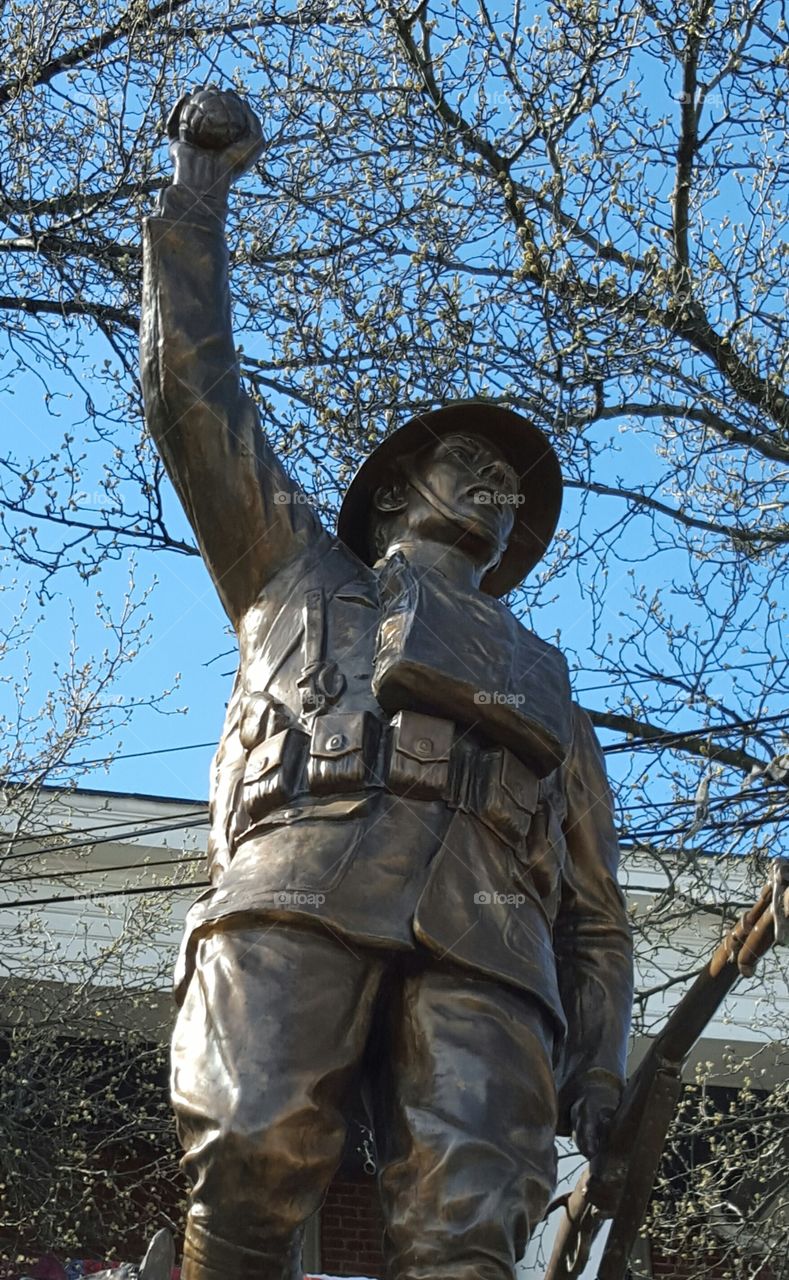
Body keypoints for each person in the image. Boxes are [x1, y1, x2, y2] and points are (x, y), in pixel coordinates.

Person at [140, 85, 633, 1280]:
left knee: (470, 1233)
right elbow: (192, 395)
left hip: (490, 956)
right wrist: (197, 196)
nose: (498, 487)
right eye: (472, 462)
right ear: (401, 482)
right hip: (296, 894)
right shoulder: (290, 570)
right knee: (248, 1158)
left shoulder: (550, 684)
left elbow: (597, 908)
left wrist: (604, 1063)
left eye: (512, 486)